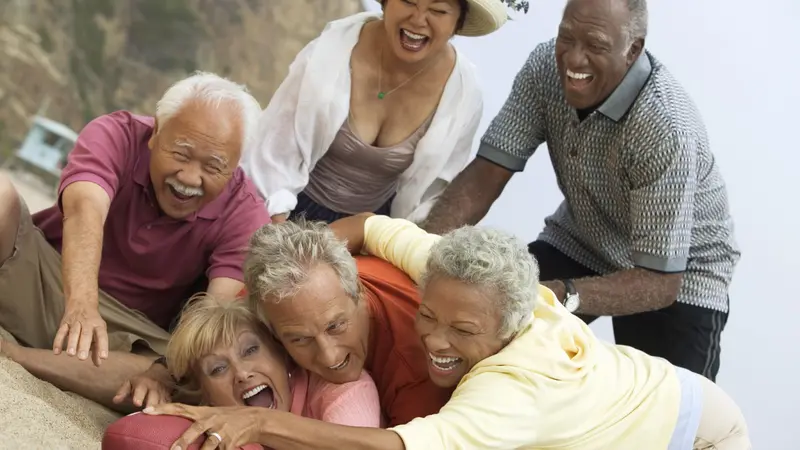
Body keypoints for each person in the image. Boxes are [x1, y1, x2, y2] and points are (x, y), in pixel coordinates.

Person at [144, 214, 751, 450]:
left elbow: (401, 448)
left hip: (693, 433)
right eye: (429, 317)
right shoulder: (456, 274)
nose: (435, 339)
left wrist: (260, 421)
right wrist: (312, 260)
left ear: (507, 325)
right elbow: (373, 227)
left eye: (462, 330)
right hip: (645, 389)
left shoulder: (509, 387)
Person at [420, 0, 740, 381]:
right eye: (566, 36)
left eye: (596, 45)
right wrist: (425, 255)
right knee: (493, 347)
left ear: (633, 49)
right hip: (584, 238)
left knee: (666, 417)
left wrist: (553, 295)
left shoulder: (665, 128)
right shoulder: (544, 68)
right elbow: (487, 173)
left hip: (678, 276)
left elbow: (658, 282)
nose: (574, 58)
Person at [0, 71, 270, 411]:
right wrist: (81, 304)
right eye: (181, 154)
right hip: (45, 274)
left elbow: (212, 316)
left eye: (213, 166)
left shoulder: (246, 214)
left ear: (235, 166)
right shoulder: (117, 134)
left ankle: (14, 355)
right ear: (156, 132)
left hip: (127, 339)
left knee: (193, 371)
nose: (189, 178)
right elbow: (86, 209)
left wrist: (161, 373)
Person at [126, 218, 451, 427]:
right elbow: (210, 341)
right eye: (299, 339)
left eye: (336, 326)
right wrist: (161, 369)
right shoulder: (270, 294)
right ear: (277, 338)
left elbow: (368, 223)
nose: (328, 357)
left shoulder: (417, 373)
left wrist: (262, 425)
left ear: (358, 297)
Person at [241, 0, 511, 224]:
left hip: (373, 233)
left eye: (438, 10)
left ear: (458, 23)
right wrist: (278, 232)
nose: (418, 19)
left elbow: (431, 198)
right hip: (282, 209)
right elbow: (273, 157)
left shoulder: (463, 95)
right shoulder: (331, 51)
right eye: (408, 1)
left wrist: (382, 245)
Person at [104, 293, 381, 440]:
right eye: (217, 369)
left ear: (282, 353)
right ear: (206, 397)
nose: (241, 373)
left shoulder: (343, 390)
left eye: (250, 350)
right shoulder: (209, 415)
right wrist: (154, 378)